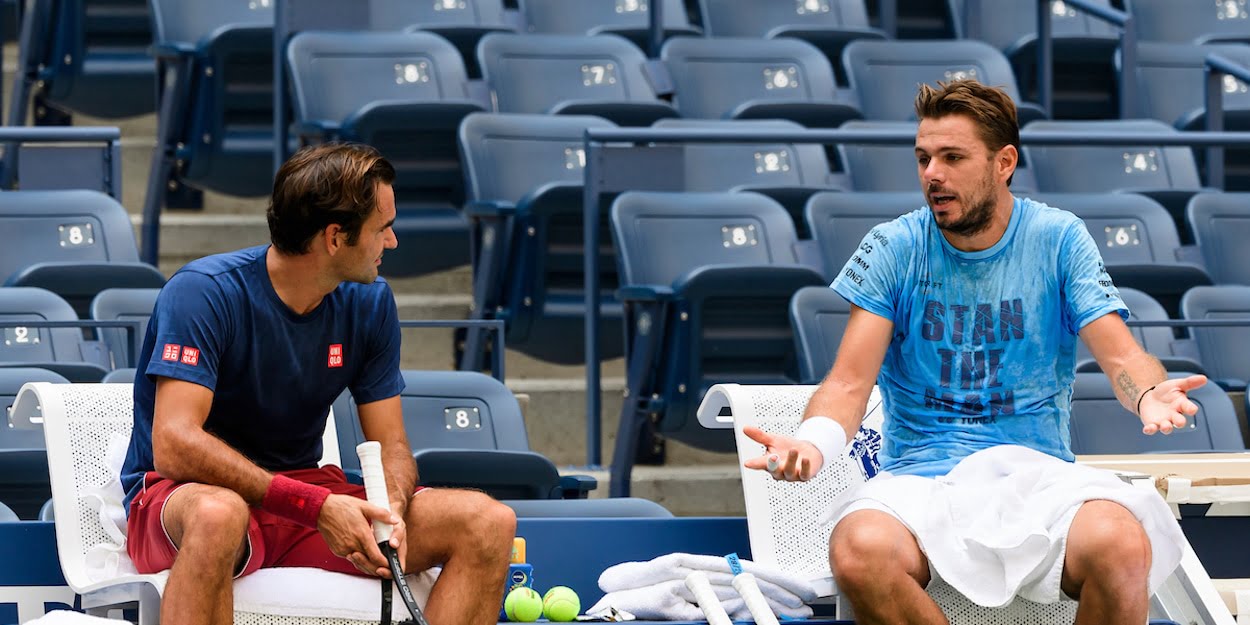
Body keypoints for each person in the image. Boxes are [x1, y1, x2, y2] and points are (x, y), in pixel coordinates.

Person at [744, 80, 1202, 624]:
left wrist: (1148, 391)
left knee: (1121, 543)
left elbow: (1122, 357)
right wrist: (813, 445)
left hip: (1037, 478)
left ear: (1004, 162)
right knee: (858, 549)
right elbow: (847, 384)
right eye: (923, 158)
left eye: (952, 157)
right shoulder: (893, 247)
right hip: (920, 482)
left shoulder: (1059, 238)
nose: (932, 174)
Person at [120, 143, 516, 625]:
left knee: (488, 522)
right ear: (334, 238)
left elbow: (390, 443)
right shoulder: (202, 292)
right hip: (184, 496)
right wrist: (314, 506)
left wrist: (389, 503)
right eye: (382, 229)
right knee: (218, 515)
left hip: (301, 498)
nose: (391, 243)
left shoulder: (370, 303)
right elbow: (174, 446)